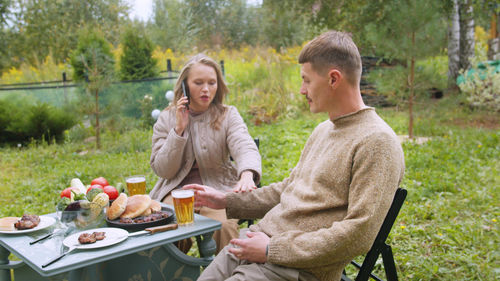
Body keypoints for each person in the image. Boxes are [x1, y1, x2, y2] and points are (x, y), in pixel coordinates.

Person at [184, 31, 405, 281]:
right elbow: (288, 189)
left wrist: (271, 250)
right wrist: (226, 202)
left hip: (292, 269)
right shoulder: (323, 130)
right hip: (253, 244)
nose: (302, 90)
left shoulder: (377, 142)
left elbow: (360, 232)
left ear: (333, 79)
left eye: (307, 80)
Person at [149, 54, 262, 254]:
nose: (206, 89)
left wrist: (247, 174)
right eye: (198, 83)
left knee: (224, 227)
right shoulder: (167, 118)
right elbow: (163, 170)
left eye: (212, 83)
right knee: (167, 230)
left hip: (218, 188)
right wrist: (178, 130)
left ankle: (226, 275)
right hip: (177, 192)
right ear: (184, 86)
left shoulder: (228, 114)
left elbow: (244, 145)